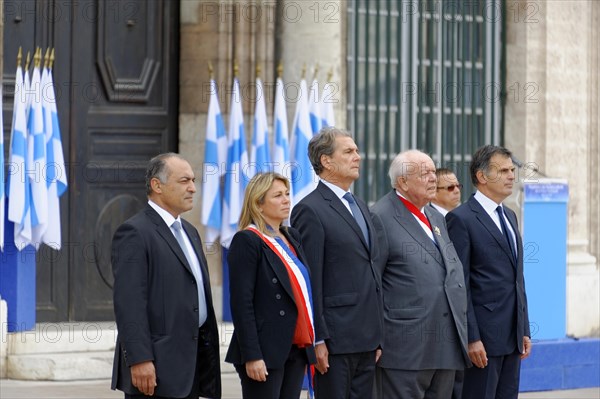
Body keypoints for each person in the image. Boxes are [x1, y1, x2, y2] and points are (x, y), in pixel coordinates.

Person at [111, 153, 221, 399]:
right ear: (157, 185)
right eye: (184, 181)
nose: (193, 188)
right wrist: (140, 359)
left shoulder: (190, 232)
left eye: (193, 180)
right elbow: (129, 303)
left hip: (191, 365)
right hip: (155, 369)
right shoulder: (135, 232)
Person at [290, 127, 383, 399]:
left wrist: (378, 337)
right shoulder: (309, 209)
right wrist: (317, 340)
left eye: (356, 150)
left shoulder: (360, 205)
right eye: (349, 151)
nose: (358, 156)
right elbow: (312, 279)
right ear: (326, 161)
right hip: (334, 342)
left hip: (367, 339)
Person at [370, 150, 470, 399]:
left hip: (445, 345)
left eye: (433, 172)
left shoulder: (435, 215)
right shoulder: (381, 216)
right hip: (404, 349)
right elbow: (373, 283)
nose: (433, 178)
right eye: (425, 173)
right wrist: (377, 340)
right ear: (403, 182)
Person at [446, 145, 532, 399]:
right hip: (483, 340)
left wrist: (524, 328)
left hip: (512, 337)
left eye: (512, 170)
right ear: (482, 176)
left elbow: (517, 278)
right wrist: (472, 337)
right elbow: (460, 284)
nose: (511, 176)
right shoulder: (461, 219)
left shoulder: (510, 215)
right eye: (503, 170)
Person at [225, 172, 316, 399]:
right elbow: (241, 302)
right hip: (265, 349)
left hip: (296, 346)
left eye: (287, 194)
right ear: (259, 204)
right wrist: (252, 355)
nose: (286, 200)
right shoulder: (247, 240)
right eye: (277, 196)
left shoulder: (292, 236)